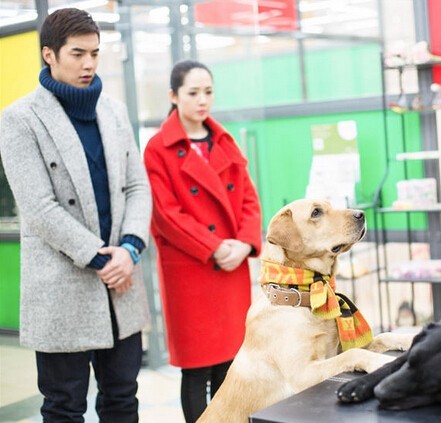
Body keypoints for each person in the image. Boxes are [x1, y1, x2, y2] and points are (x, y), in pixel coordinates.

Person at [0, 8, 152, 423]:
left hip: (120, 284)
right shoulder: (19, 119)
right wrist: (103, 259)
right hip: (62, 288)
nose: (88, 64)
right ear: (49, 54)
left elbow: (138, 187)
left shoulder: (114, 111)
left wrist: (130, 249)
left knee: (123, 399)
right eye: (77, 54)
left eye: (95, 54)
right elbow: (39, 208)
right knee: (65, 407)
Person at [143, 60, 262, 423]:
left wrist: (243, 243)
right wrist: (214, 247)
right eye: (193, 93)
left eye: (208, 92)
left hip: (231, 267)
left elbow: (248, 200)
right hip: (191, 269)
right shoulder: (158, 149)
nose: (202, 100)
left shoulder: (224, 140)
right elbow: (165, 214)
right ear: (173, 96)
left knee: (230, 364)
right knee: (196, 369)